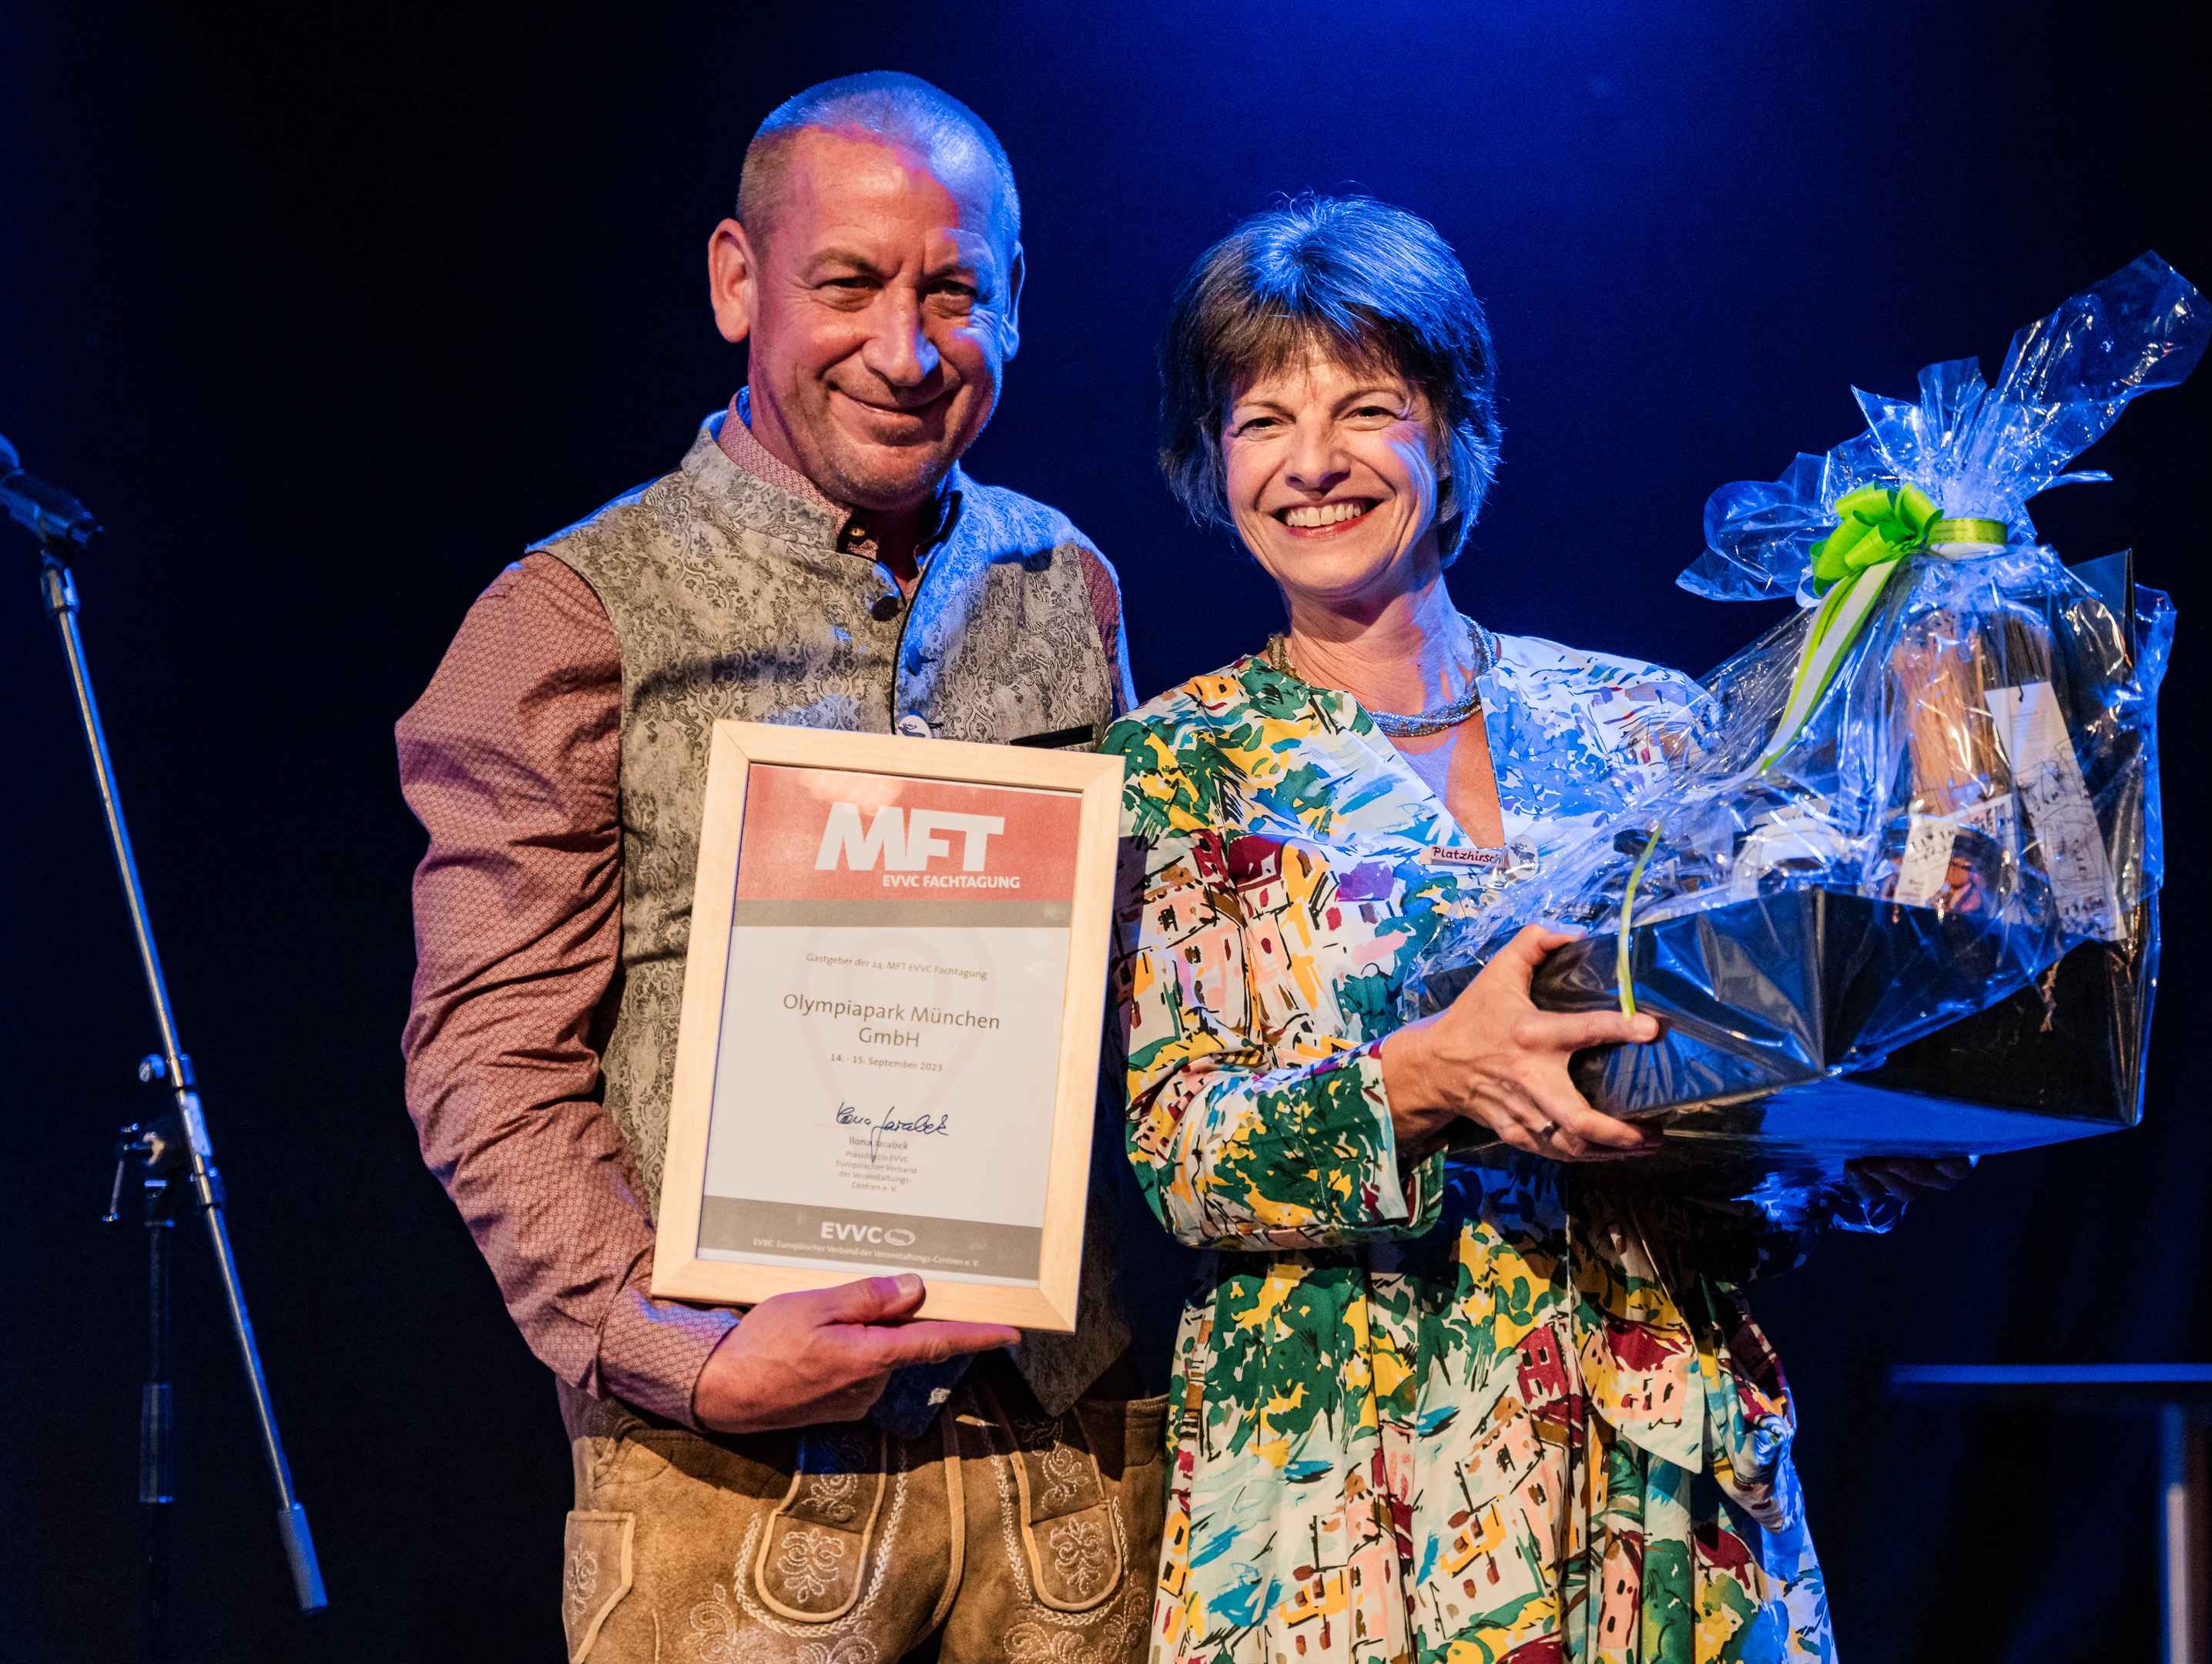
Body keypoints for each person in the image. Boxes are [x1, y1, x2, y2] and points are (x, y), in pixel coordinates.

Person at [1108, 196, 1966, 1663]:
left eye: (1369, 406)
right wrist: (1431, 1079)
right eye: (1262, 421)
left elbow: (1755, 1095)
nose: (1313, 463)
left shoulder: (1650, 722)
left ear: (1455, 433)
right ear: (1212, 461)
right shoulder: (1168, 770)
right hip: (1341, 1488)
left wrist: (1864, 1083)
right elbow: (1181, 1159)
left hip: (1662, 1465)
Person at [398, 72, 1165, 1664]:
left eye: (954, 289)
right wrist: (674, 1349)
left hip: (1068, 1467)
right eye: (850, 284)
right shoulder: (565, 615)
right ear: (738, 281)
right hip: (731, 1490)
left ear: (1016, 303)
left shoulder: (1068, 585)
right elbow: (485, 1058)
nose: (906, 347)